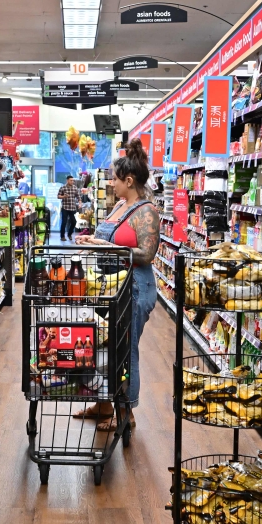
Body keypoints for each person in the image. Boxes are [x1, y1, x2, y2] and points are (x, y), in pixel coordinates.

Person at [73, 139, 160, 432]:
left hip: (135, 289)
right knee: (107, 347)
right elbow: (108, 240)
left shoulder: (146, 212)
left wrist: (106, 248)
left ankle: (127, 413)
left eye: (114, 178)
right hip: (112, 287)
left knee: (126, 350)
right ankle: (104, 404)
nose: (111, 183)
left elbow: (147, 255)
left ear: (129, 180)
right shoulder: (123, 206)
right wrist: (91, 241)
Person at [57, 175, 81, 241]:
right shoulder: (63, 187)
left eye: (73, 180)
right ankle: (62, 236)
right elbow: (58, 196)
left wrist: (80, 203)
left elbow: (78, 196)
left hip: (72, 208)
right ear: (67, 180)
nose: (72, 181)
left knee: (74, 222)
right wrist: (63, 196)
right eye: (71, 180)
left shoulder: (75, 188)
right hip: (65, 207)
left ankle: (69, 234)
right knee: (64, 222)